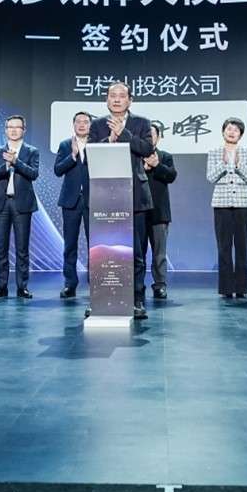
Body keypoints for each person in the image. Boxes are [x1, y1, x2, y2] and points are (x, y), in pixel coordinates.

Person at [87, 81, 156, 320]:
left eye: (121, 96)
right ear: (106, 100)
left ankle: (137, 299)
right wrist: (109, 140)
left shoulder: (141, 123)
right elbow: (89, 154)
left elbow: (147, 149)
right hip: (104, 197)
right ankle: (99, 299)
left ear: (130, 100)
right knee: (101, 251)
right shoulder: (97, 125)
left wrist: (124, 134)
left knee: (135, 252)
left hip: (134, 195)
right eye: (112, 95)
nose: (116, 99)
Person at [0, 115, 39, 300]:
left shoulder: (31, 151)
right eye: (10, 127)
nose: (14, 130)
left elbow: (33, 174)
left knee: (22, 249)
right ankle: (1, 287)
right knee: (1, 248)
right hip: (2, 203)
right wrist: (6, 166)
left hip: (22, 203)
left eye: (18, 127)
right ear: (6, 130)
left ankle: (22, 287)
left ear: (24, 130)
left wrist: (16, 162)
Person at [206, 117, 247, 299]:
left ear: (240, 134)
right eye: (229, 129)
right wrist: (223, 163)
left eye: (236, 130)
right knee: (224, 247)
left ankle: (242, 287)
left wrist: (238, 165)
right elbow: (210, 177)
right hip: (221, 204)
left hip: (243, 204)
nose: (232, 132)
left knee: (242, 246)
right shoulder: (214, 152)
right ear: (223, 132)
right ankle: (226, 288)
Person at [54, 111, 92, 298]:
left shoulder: (98, 144)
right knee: (70, 244)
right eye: (78, 122)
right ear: (73, 124)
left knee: (95, 245)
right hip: (71, 201)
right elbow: (57, 170)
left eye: (85, 122)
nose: (82, 125)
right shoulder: (65, 145)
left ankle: (96, 282)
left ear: (90, 125)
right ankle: (70, 283)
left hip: (93, 200)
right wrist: (73, 155)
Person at [143, 122, 178, 301]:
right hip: (138, 211)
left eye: (153, 135)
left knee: (159, 253)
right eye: (146, 135)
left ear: (159, 137)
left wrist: (156, 165)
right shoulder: (134, 156)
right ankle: (137, 285)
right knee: (137, 253)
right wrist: (142, 168)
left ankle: (160, 285)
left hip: (159, 212)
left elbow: (171, 176)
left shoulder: (165, 156)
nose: (150, 138)